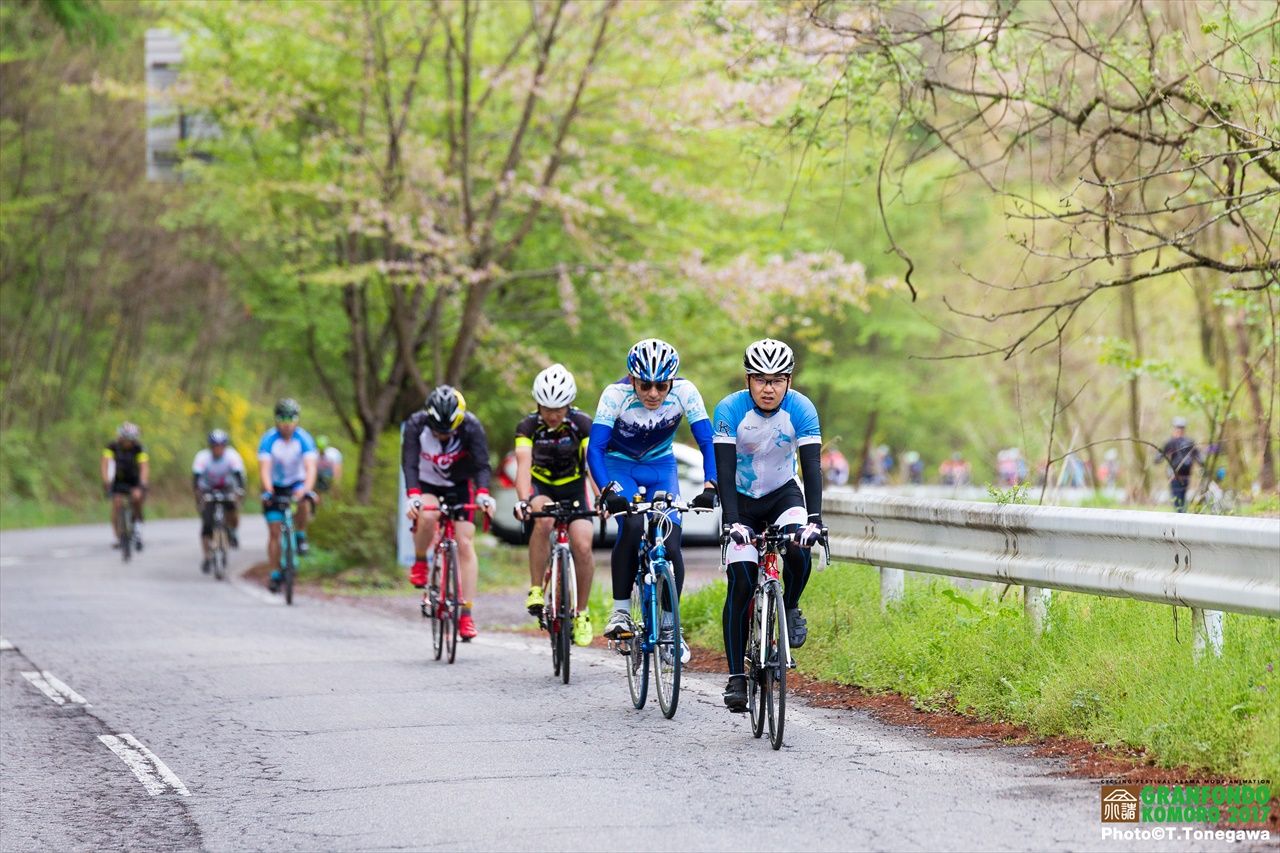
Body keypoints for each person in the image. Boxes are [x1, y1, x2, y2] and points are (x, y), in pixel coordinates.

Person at [712, 339, 825, 713]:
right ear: (748, 380)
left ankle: (789, 606)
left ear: (788, 381)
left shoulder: (802, 409)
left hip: (782, 495)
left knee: (797, 546)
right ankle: (736, 678)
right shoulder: (729, 409)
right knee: (742, 579)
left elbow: (811, 467)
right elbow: (725, 472)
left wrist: (814, 520)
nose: (768, 388)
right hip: (740, 502)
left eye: (777, 380)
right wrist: (731, 522)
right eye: (760, 379)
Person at [588, 338, 717, 665]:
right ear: (632, 379)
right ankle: (619, 613)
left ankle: (672, 630)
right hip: (620, 465)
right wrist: (609, 493)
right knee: (631, 525)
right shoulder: (614, 395)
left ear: (672, 381)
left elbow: (707, 442)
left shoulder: (686, 393)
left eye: (662, 386)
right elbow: (595, 450)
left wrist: (710, 485)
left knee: (672, 545)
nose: (654, 393)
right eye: (645, 385)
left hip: (662, 467)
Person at [402, 385, 496, 641]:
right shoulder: (415, 424)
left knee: (465, 543)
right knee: (429, 515)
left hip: (459, 485)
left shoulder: (471, 426)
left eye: (448, 431)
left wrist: (484, 493)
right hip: (427, 483)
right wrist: (413, 496)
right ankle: (421, 561)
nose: (442, 436)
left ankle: (466, 614)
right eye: (437, 431)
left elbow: (482, 464)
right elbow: (409, 462)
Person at [512, 364, 597, 647]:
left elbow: (591, 465)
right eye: (547, 408)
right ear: (538, 404)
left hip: (573, 488)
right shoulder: (527, 426)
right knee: (543, 519)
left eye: (559, 409)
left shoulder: (582, 423)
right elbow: (523, 466)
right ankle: (536, 588)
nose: (552, 415)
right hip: (542, 487)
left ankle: (582, 613)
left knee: (583, 545)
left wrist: (603, 496)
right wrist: (524, 501)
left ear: (569, 404)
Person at [257, 398, 319, 592]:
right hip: (275, 486)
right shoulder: (268, 439)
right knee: (274, 532)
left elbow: (310, 468)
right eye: (282, 418)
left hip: (297, 483)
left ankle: (300, 534)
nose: (286, 423)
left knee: (304, 501)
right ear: (276, 419)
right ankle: (275, 573)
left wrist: (306, 489)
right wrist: (268, 490)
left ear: (297, 419)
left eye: (291, 418)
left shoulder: (304, 439)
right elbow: (265, 469)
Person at [192, 429, 246, 569]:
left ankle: (232, 531)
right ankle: (207, 557)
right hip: (208, 489)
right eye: (215, 446)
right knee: (207, 525)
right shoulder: (203, 457)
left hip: (227, 487)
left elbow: (239, 477)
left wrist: (239, 492)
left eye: (221, 446)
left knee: (233, 507)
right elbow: (196, 480)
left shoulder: (232, 456)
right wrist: (199, 497)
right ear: (210, 447)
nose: (218, 449)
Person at [102, 422, 149, 549]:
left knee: (137, 498)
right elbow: (105, 464)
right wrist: (106, 481)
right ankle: (117, 536)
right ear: (121, 437)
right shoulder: (112, 447)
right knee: (116, 504)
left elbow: (144, 467)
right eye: (126, 439)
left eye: (131, 439)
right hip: (118, 480)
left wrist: (143, 482)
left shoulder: (139, 448)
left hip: (134, 480)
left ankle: (138, 528)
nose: (129, 442)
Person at [1158, 416, 1201, 512]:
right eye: (1178, 428)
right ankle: (1180, 517)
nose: (1179, 430)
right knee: (1177, 500)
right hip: (1174, 476)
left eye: (1181, 428)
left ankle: (1181, 517)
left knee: (1182, 499)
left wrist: (1202, 464)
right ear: (1174, 428)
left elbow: (1198, 456)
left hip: (1185, 476)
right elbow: (1159, 457)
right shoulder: (1170, 442)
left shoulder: (1189, 442)